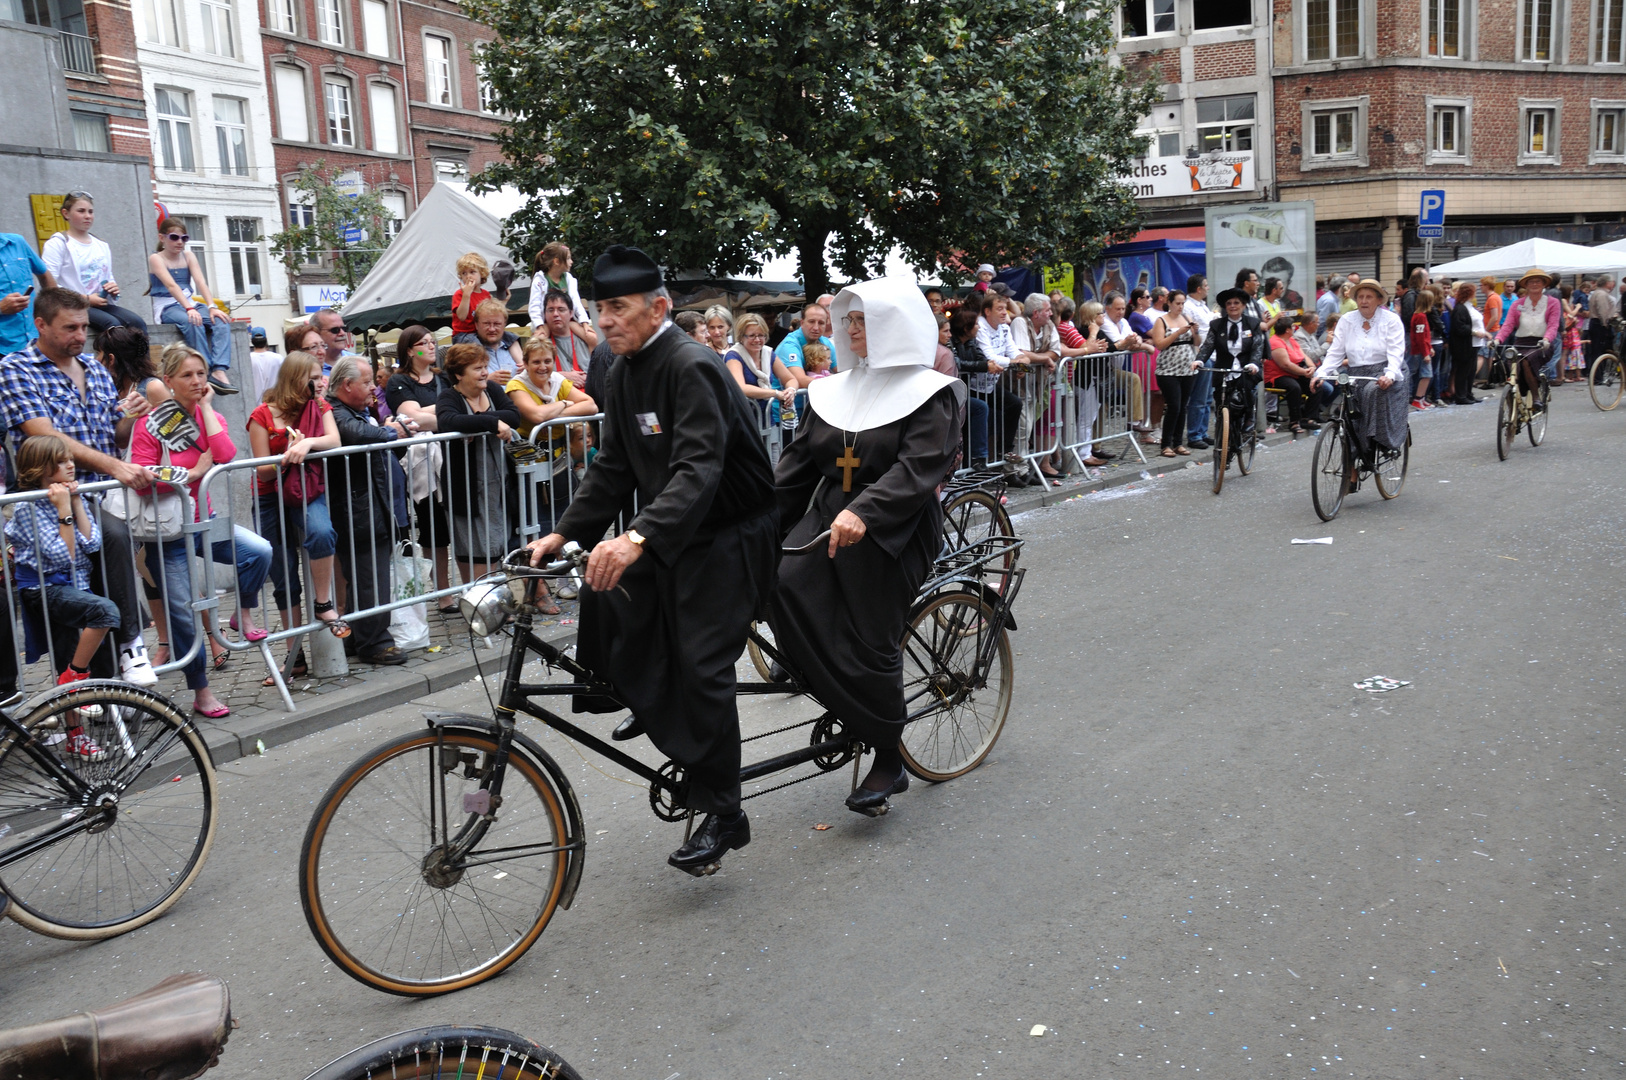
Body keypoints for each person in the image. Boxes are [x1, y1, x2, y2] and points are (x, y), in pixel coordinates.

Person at [526, 244, 777, 875]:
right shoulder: (622, 369)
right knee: (610, 597)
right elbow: (613, 465)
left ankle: (725, 811)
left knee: (702, 665)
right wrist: (564, 533)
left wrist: (634, 539)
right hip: (674, 531)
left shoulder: (689, 365)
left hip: (730, 533)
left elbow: (698, 469)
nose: (605, 321)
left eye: (618, 307)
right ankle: (659, 707)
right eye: (600, 308)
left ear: (658, 307)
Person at [770, 277, 963, 816]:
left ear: (892, 325)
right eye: (847, 321)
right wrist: (747, 521)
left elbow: (919, 468)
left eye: (861, 321)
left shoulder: (931, 392)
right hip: (831, 513)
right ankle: (842, 697)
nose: (848, 329)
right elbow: (795, 469)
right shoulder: (831, 390)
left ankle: (887, 756)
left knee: (869, 631)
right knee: (782, 583)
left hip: (892, 525)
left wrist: (865, 512)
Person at [1, 287, 157, 686]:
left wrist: (131, 418)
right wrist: (118, 467)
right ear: (40, 324)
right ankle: (126, 650)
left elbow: (114, 437)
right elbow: (44, 435)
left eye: (84, 326)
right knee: (110, 546)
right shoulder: (16, 368)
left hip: (102, 494)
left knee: (105, 589)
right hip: (53, 502)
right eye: (69, 327)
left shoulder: (93, 367)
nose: (79, 335)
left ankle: (118, 680)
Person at [131, 343, 273, 718]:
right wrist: (191, 475)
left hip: (205, 522)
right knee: (182, 611)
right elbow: (142, 478)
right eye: (187, 375)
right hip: (169, 530)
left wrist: (208, 407)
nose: (196, 381)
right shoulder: (151, 424)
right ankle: (201, 691)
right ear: (168, 381)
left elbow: (225, 454)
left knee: (258, 552)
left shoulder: (209, 417)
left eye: (200, 373)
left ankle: (240, 614)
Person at [7, 434, 123, 758]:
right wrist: (63, 511)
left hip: (73, 586)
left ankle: (74, 732)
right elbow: (64, 556)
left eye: (70, 458)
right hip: (44, 589)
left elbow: (93, 543)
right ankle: (77, 677)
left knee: (67, 656)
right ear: (41, 469)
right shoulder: (28, 508)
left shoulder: (72, 497)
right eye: (61, 461)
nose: (70, 465)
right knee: (105, 612)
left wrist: (73, 505)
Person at [248, 350, 348, 677]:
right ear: (296, 378)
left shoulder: (319, 406)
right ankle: (295, 655)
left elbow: (334, 439)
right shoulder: (261, 415)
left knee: (321, 532)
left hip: (306, 489)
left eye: (322, 377)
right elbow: (262, 470)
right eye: (315, 378)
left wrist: (307, 445)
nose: (321, 384)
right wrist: (287, 455)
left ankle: (322, 604)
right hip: (269, 496)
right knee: (283, 574)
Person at [325, 354, 410, 666]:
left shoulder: (353, 409)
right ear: (347, 385)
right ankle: (375, 642)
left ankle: (363, 637)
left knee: (366, 576)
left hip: (366, 505)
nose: (375, 387)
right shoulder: (334, 409)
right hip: (358, 508)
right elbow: (356, 434)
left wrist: (398, 432)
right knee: (370, 577)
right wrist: (393, 431)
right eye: (367, 382)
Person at [383, 325, 455, 613]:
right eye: (424, 342)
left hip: (452, 457)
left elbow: (460, 407)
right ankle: (443, 592)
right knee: (432, 526)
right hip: (420, 463)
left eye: (433, 340)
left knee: (456, 523)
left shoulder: (444, 378)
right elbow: (411, 419)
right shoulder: (398, 382)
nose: (432, 345)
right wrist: (447, 413)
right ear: (411, 350)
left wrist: (431, 414)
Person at [437, 343, 520, 583]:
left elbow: (513, 415)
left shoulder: (493, 389)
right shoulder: (449, 396)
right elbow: (448, 420)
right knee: (473, 543)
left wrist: (477, 421)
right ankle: (479, 600)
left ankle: (485, 597)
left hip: (499, 481)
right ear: (459, 374)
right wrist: (491, 424)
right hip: (467, 485)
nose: (485, 372)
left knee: (495, 540)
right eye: (477, 368)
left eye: (485, 366)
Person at [1312, 279, 1408, 477]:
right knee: (1347, 410)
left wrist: (1389, 374)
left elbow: (1396, 352)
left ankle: (1371, 448)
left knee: (1372, 393)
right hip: (1357, 372)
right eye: (1360, 297)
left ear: (1379, 300)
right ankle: (1352, 460)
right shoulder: (1347, 320)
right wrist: (1321, 373)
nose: (1364, 301)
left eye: (1369, 297)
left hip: (1383, 371)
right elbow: (1335, 352)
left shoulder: (1390, 320)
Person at [147, 219, 235, 393]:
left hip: (190, 302)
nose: (179, 242)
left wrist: (211, 306)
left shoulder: (188, 256)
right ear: (162, 238)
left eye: (184, 238)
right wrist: (189, 309)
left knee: (221, 320)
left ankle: (219, 370)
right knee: (193, 321)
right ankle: (206, 369)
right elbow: (172, 286)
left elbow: (200, 281)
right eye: (174, 237)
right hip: (167, 306)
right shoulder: (156, 258)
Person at [43, 192, 145, 335]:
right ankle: (112, 358)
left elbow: (107, 276)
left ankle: (141, 358)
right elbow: (50, 285)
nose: (87, 216)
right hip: (72, 306)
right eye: (81, 211)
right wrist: (86, 299)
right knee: (112, 325)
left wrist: (113, 289)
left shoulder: (101, 244)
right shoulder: (57, 244)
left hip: (101, 304)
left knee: (137, 323)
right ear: (66, 214)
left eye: (90, 211)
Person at [1194, 286, 1266, 434]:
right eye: (1229, 303)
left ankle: (1249, 418)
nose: (1232, 306)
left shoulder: (1253, 323)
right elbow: (1208, 344)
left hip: (1245, 367)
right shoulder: (1217, 325)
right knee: (1220, 398)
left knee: (1247, 388)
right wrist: (1199, 360)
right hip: (1224, 367)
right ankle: (1223, 433)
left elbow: (1257, 346)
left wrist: (1253, 363)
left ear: (1243, 305)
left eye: (1236, 303)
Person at [1492, 268, 1561, 411]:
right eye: (1531, 282)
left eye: (1538, 281)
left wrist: (1547, 339)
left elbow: (1553, 325)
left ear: (1544, 284)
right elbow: (1508, 324)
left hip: (1541, 344)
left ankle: (1536, 397)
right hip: (1521, 343)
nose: (1534, 284)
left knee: (1526, 361)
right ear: (1525, 285)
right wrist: (1497, 339)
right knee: (1511, 366)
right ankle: (1513, 406)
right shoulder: (1518, 304)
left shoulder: (1553, 302)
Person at [1148, 289, 1202, 456]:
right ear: (1169, 303)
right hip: (1168, 369)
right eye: (1177, 303)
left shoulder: (1187, 318)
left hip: (1186, 367)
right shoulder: (1161, 320)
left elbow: (1196, 342)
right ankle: (1166, 444)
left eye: (1182, 303)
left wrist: (1196, 332)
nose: (1180, 307)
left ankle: (1178, 442)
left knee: (1183, 406)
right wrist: (1178, 332)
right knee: (1174, 405)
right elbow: (1160, 344)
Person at [723, 313, 798, 420]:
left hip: (766, 417)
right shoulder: (734, 356)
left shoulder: (768, 353)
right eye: (752, 335)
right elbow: (741, 387)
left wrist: (790, 391)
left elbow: (790, 379)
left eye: (761, 335)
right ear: (741, 337)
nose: (757, 340)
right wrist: (776, 393)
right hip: (743, 420)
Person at [526, 242, 597, 349]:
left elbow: (576, 302)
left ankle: (593, 363)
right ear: (557, 261)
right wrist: (539, 326)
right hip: (547, 322)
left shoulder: (568, 279)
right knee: (537, 344)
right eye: (568, 258)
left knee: (592, 337)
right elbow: (534, 306)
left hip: (567, 321)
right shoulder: (540, 281)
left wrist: (585, 322)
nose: (571, 262)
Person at [0, 230, 55, 356]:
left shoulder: (17, 242)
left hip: (37, 340)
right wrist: (1, 308)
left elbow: (45, 276)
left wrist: (53, 313)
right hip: (3, 349)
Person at [1264, 314, 1318, 434]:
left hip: (1294, 373)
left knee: (1317, 384)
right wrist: (1304, 372)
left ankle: (1307, 417)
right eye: (1293, 326)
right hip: (1276, 376)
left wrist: (1311, 367)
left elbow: (1303, 355)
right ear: (1287, 330)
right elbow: (1285, 365)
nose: (1295, 328)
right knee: (1294, 387)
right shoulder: (1275, 342)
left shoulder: (1291, 340)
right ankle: (1294, 422)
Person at [1183, 274, 1216, 449]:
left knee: (1207, 397)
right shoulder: (1188, 307)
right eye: (1206, 285)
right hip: (1200, 353)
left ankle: (1202, 431)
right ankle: (1194, 434)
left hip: (1210, 352)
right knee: (1198, 397)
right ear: (1199, 289)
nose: (1208, 288)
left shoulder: (1202, 305)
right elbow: (1193, 331)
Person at [773, 302, 836, 387]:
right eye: (811, 322)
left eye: (821, 323)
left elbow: (841, 370)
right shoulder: (789, 346)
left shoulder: (825, 342)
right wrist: (836, 383)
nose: (816, 328)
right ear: (802, 323)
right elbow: (801, 381)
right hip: (789, 400)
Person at [540, 289, 593, 377]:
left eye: (561, 310)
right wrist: (562, 377)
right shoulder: (541, 343)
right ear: (544, 314)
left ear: (571, 313)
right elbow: (534, 376)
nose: (555, 314)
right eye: (550, 310)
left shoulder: (586, 339)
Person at [471, 297, 522, 384]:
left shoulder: (513, 347)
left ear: (504, 324)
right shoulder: (471, 351)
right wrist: (487, 380)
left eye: (497, 324)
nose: (492, 329)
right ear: (477, 325)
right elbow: (460, 385)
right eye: (486, 324)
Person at [1448, 281, 1482, 405]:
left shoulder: (1467, 306)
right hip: (1463, 345)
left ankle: (1468, 393)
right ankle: (1461, 395)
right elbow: (1459, 327)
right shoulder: (1460, 308)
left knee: (1470, 370)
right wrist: (1475, 332)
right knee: (1463, 370)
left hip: (1472, 344)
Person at [1407, 288, 1436, 409]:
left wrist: (1429, 348)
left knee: (1424, 374)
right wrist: (1426, 353)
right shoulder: (1420, 317)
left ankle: (1421, 398)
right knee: (1426, 374)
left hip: (1421, 349)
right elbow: (1420, 337)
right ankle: (1418, 398)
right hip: (1420, 351)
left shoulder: (1419, 316)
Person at [1588, 276, 1618, 378]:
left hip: (1596, 323)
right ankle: (1598, 376)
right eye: (1612, 282)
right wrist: (1606, 325)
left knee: (1597, 350)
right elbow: (1603, 311)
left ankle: (1597, 375)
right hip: (1600, 324)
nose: (1613, 284)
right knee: (1599, 350)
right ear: (1607, 283)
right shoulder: (1601, 294)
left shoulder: (1598, 292)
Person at [249, 327, 281, 399]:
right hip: (275, 404)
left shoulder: (247, 359)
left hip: (254, 405)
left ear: (252, 341)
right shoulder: (278, 358)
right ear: (266, 339)